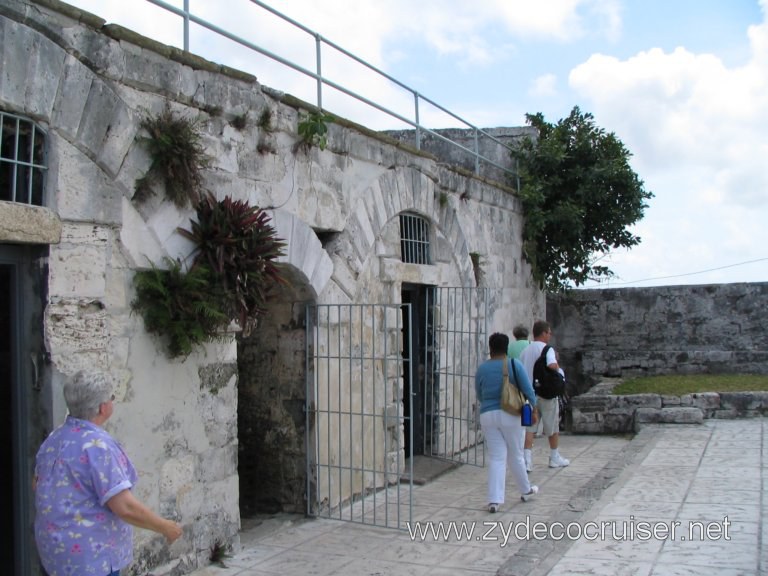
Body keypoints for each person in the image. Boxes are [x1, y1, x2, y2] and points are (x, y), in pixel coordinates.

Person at [34, 371, 183, 576]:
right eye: (111, 398)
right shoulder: (98, 446)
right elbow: (125, 507)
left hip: (55, 553)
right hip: (90, 558)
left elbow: (38, 484)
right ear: (103, 408)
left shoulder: (54, 439)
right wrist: (165, 527)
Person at [475, 332, 539, 513]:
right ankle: (525, 489)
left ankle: (494, 500)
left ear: (490, 348)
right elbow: (527, 389)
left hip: (487, 414)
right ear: (506, 348)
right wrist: (534, 407)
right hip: (510, 413)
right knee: (516, 453)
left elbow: (479, 393)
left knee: (496, 456)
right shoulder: (513, 364)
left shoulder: (482, 369)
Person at [519, 320, 570, 471]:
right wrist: (558, 368)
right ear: (543, 333)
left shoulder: (525, 351)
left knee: (529, 428)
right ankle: (554, 456)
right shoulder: (548, 350)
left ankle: (527, 460)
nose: (550, 335)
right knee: (552, 426)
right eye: (549, 333)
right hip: (546, 394)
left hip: (529, 394)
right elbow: (551, 365)